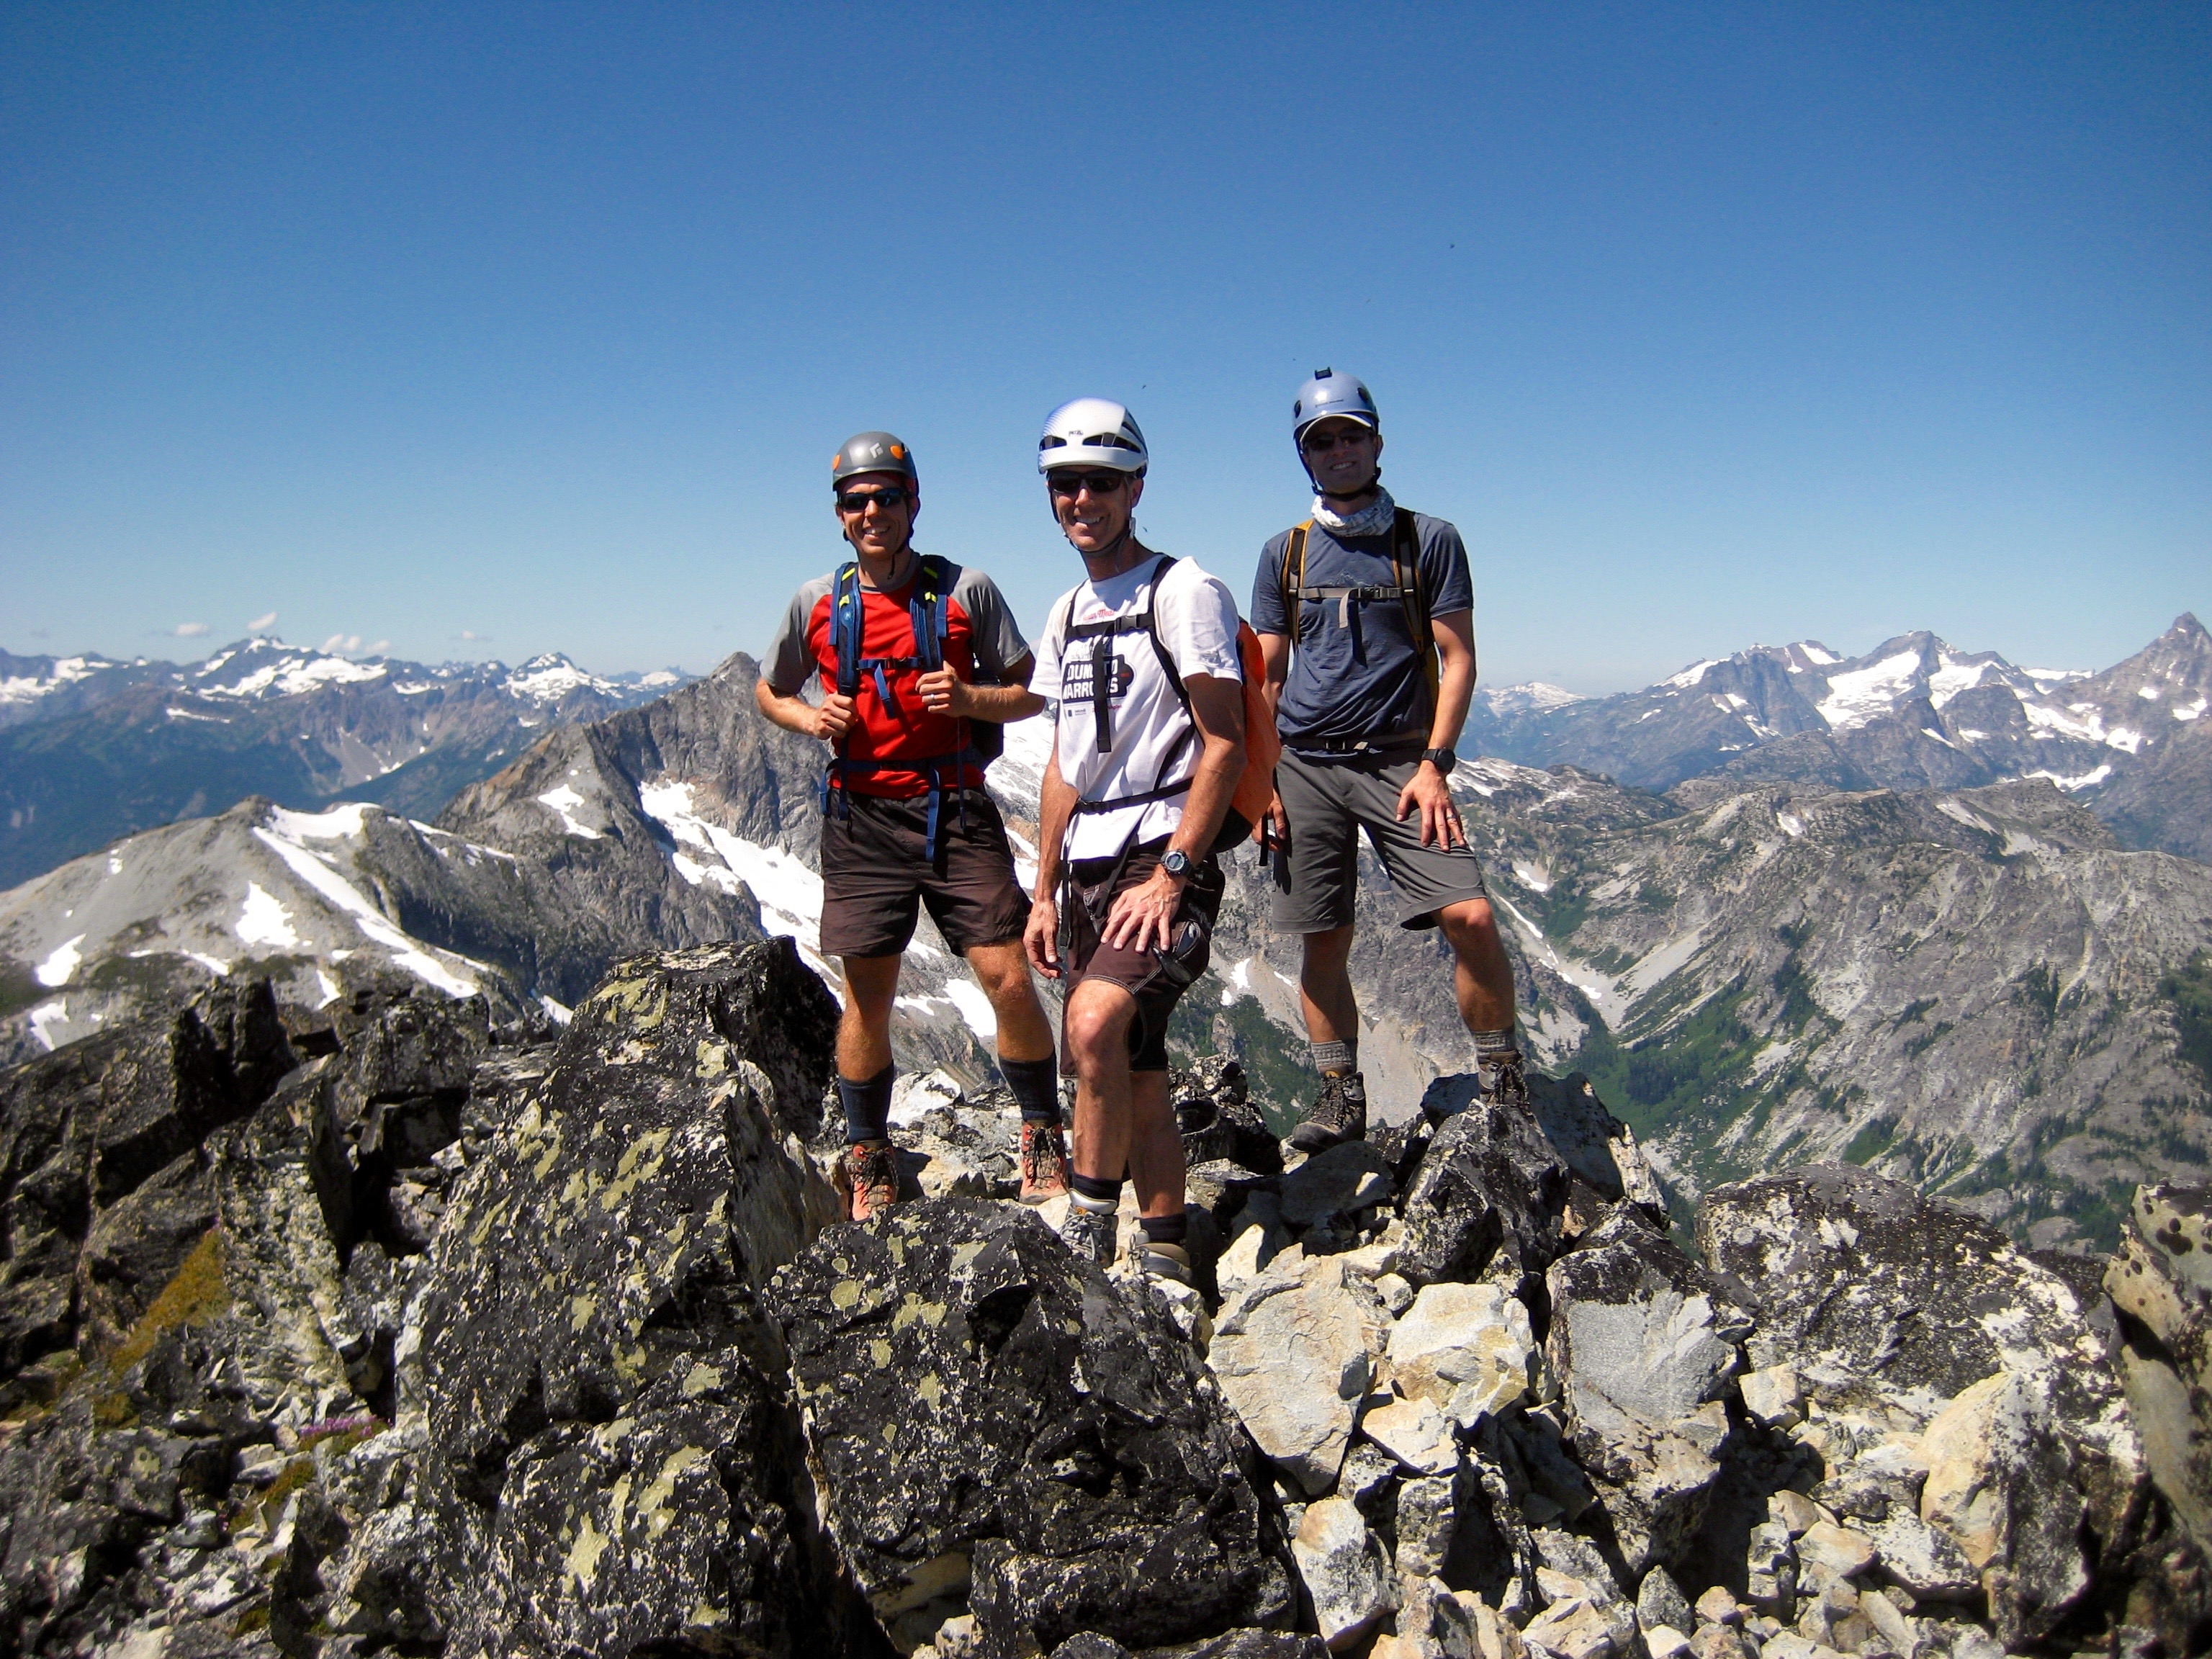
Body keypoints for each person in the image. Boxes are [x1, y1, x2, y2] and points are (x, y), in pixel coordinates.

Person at [757, 431, 1068, 1220]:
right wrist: (805, 716)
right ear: (839, 516)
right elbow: (770, 690)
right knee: (869, 997)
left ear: (914, 504)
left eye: (887, 497)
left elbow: (1031, 693)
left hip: (955, 810)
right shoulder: (814, 602)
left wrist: (968, 701)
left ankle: (1040, 1131)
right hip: (861, 818)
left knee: (1006, 977)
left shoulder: (969, 592)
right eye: (856, 501)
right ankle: (868, 1154)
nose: (872, 512)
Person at [1250, 371, 1524, 1152]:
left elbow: (1458, 656)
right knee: (1323, 936)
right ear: (1305, 456)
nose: (1338, 451)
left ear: (1376, 443)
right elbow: (1267, 676)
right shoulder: (1286, 554)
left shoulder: (1426, 539)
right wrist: (1264, 779)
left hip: (1403, 764)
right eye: (1321, 441)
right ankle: (1340, 1094)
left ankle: (1501, 1076)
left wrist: (1437, 762)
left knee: (1468, 914)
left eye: (1350, 436)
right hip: (1303, 764)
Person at [1021, 399, 1248, 1283]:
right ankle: (1166, 1246)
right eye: (1065, 484)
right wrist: (1041, 892)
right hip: (1083, 867)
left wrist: (1174, 876)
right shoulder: (1068, 612)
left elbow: (1223, 740)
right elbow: (1065, 768)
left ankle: (1084, 1235)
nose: (1082, 499)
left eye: (1101, 482)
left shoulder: (1184, 591)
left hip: (1161, 856)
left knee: (1092, 1023)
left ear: (1137, 486)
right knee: (1133, 1062)